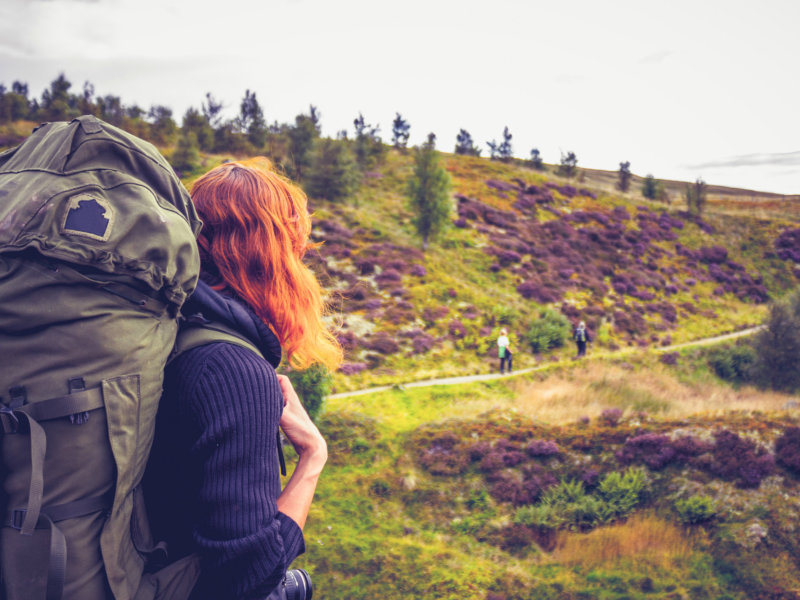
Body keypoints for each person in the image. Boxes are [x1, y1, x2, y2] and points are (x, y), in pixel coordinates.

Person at [145, 158, 342, 600]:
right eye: (296, 249)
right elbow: (248, 577)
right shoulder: (231, 368)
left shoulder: (172, 330)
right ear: (271, 255)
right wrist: (312, 457)